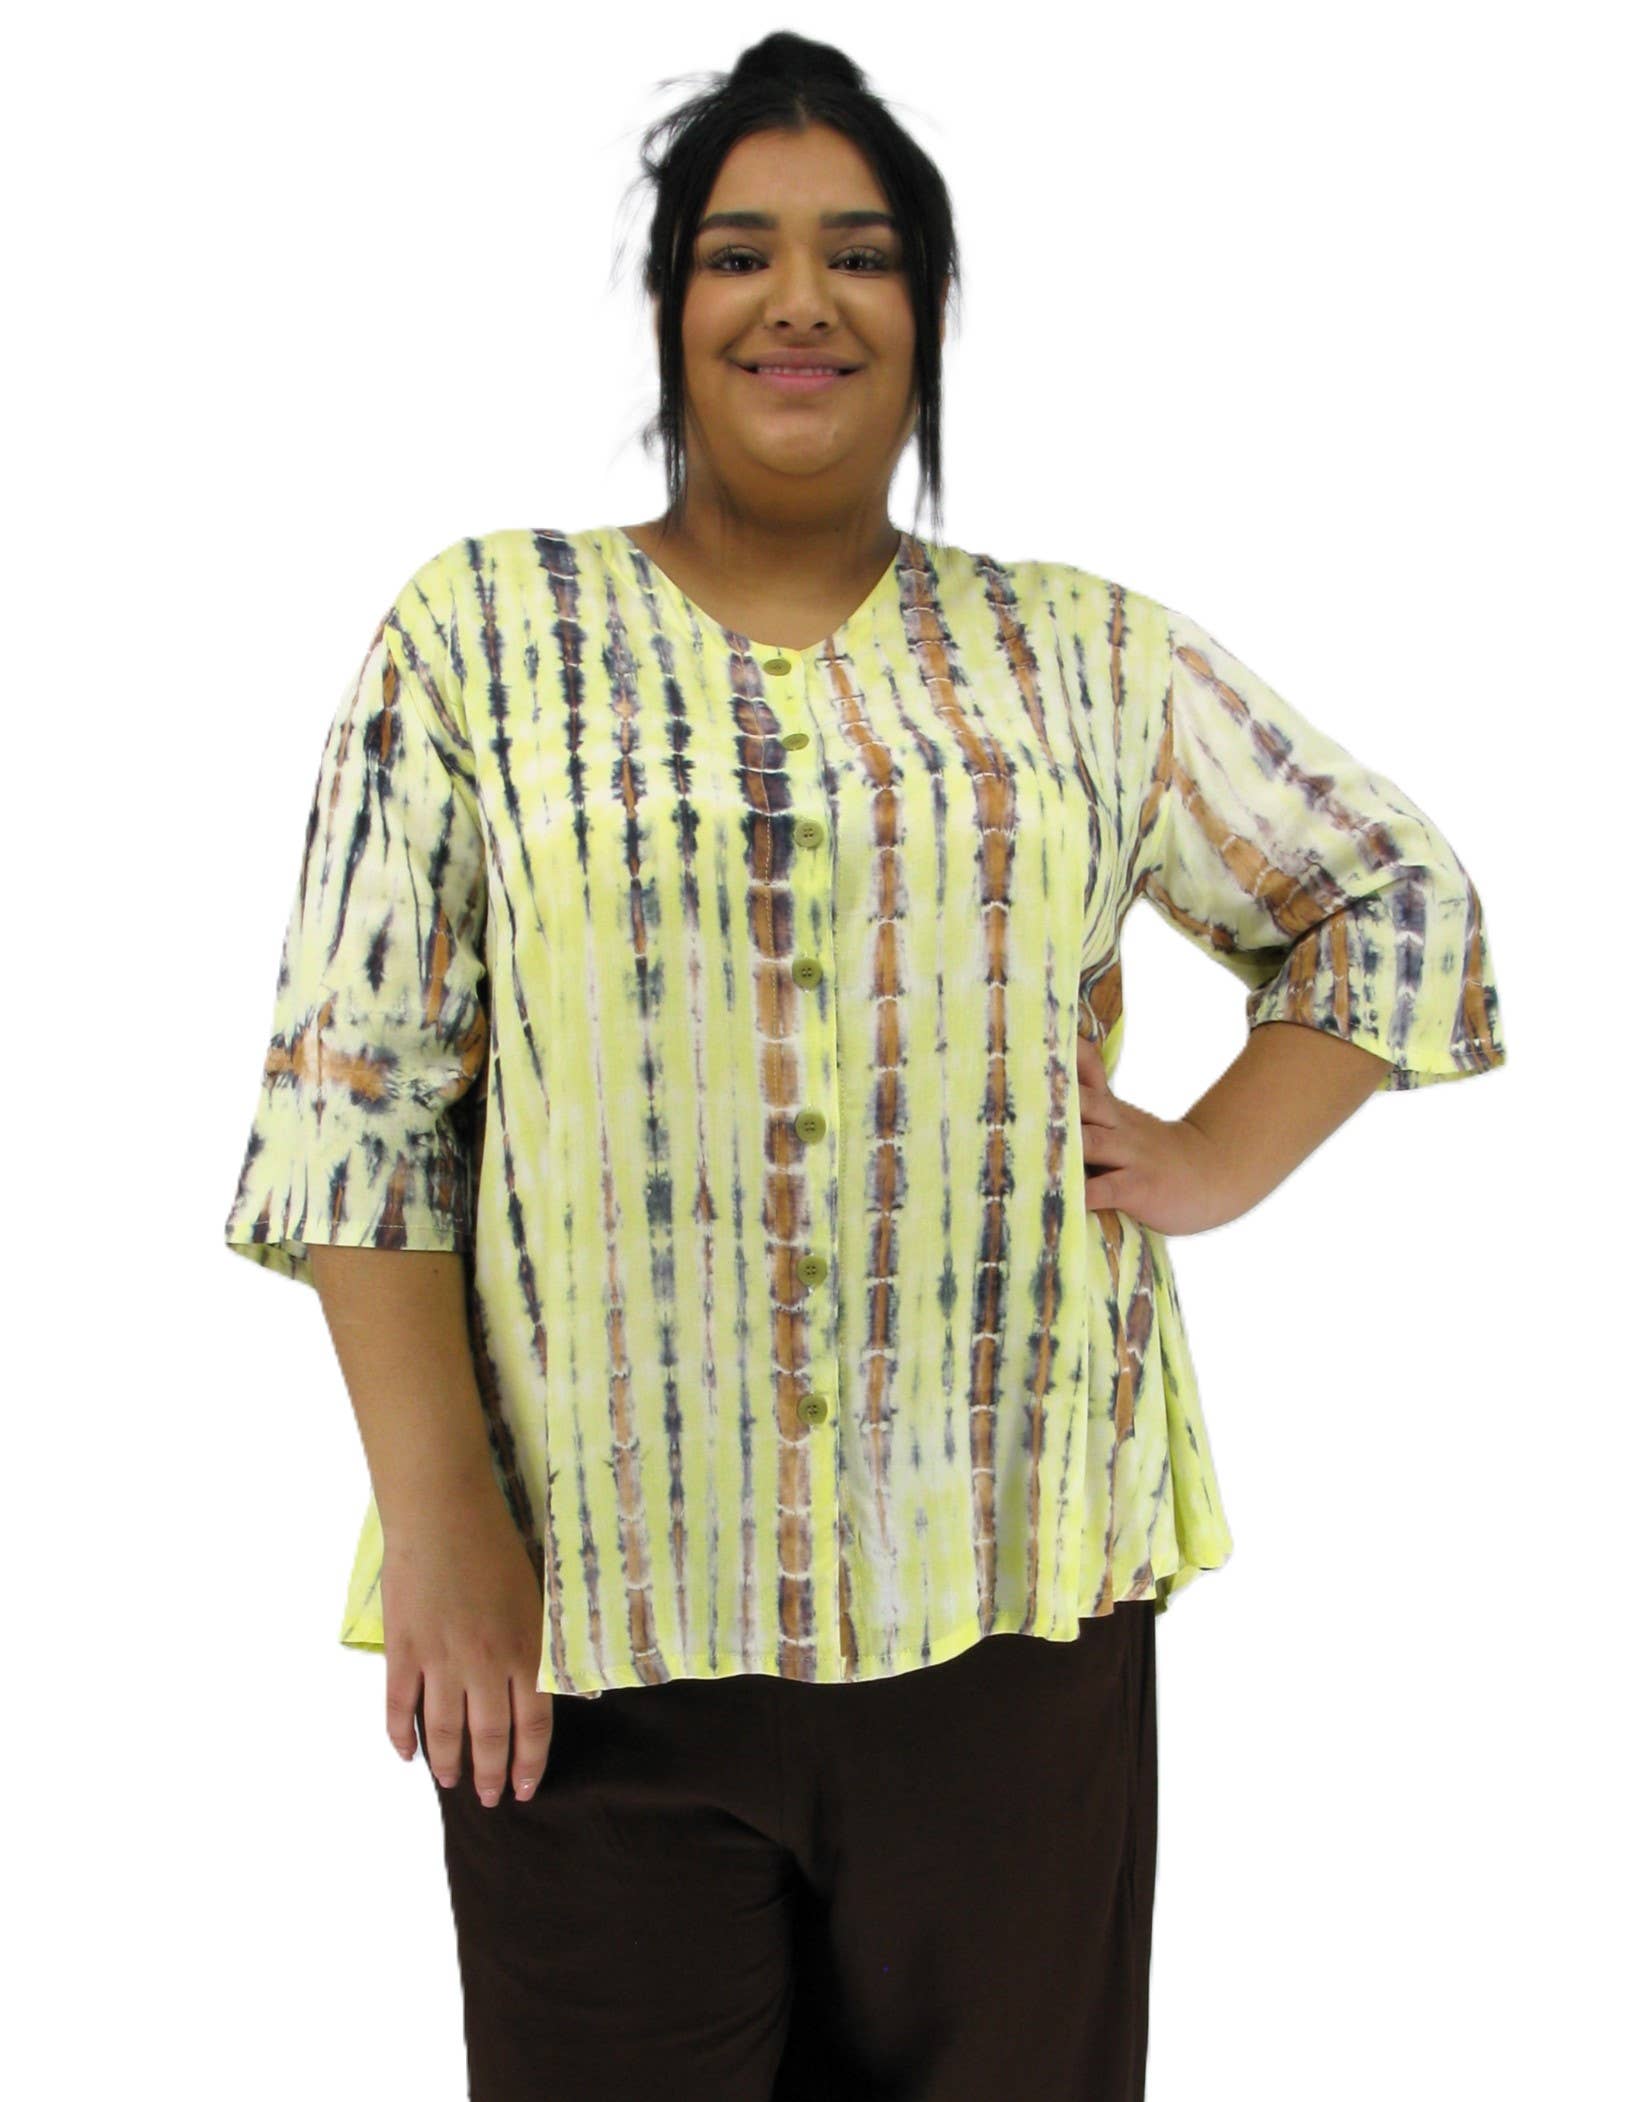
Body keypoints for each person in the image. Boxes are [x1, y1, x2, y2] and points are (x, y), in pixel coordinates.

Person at [221, 31, 1508, 2102]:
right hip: (586, 1637)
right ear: (672, 307)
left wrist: (1210, 1154)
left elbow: (1393, 898)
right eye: (740, 253)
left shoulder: (1078, 655)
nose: (799, 299)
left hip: (1014, 1616)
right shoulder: (482, 635)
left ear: (930, 313)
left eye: (863, 253)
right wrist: (441, 1516)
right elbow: (357, 1093)